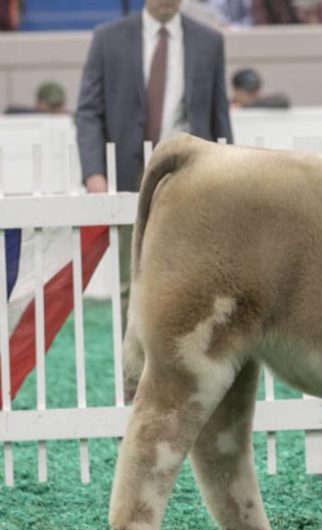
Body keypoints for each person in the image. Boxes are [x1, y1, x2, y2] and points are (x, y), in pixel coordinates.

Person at [75, 0, 233, 321]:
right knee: (128, 280)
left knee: (190, 280)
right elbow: (88, 112)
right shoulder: (108, 38)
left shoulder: (210, 41)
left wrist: (229, 177)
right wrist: (94, 174)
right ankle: (130, 369)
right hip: (126, 174)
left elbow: (219, 116)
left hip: (192, 175)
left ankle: (175, 367)